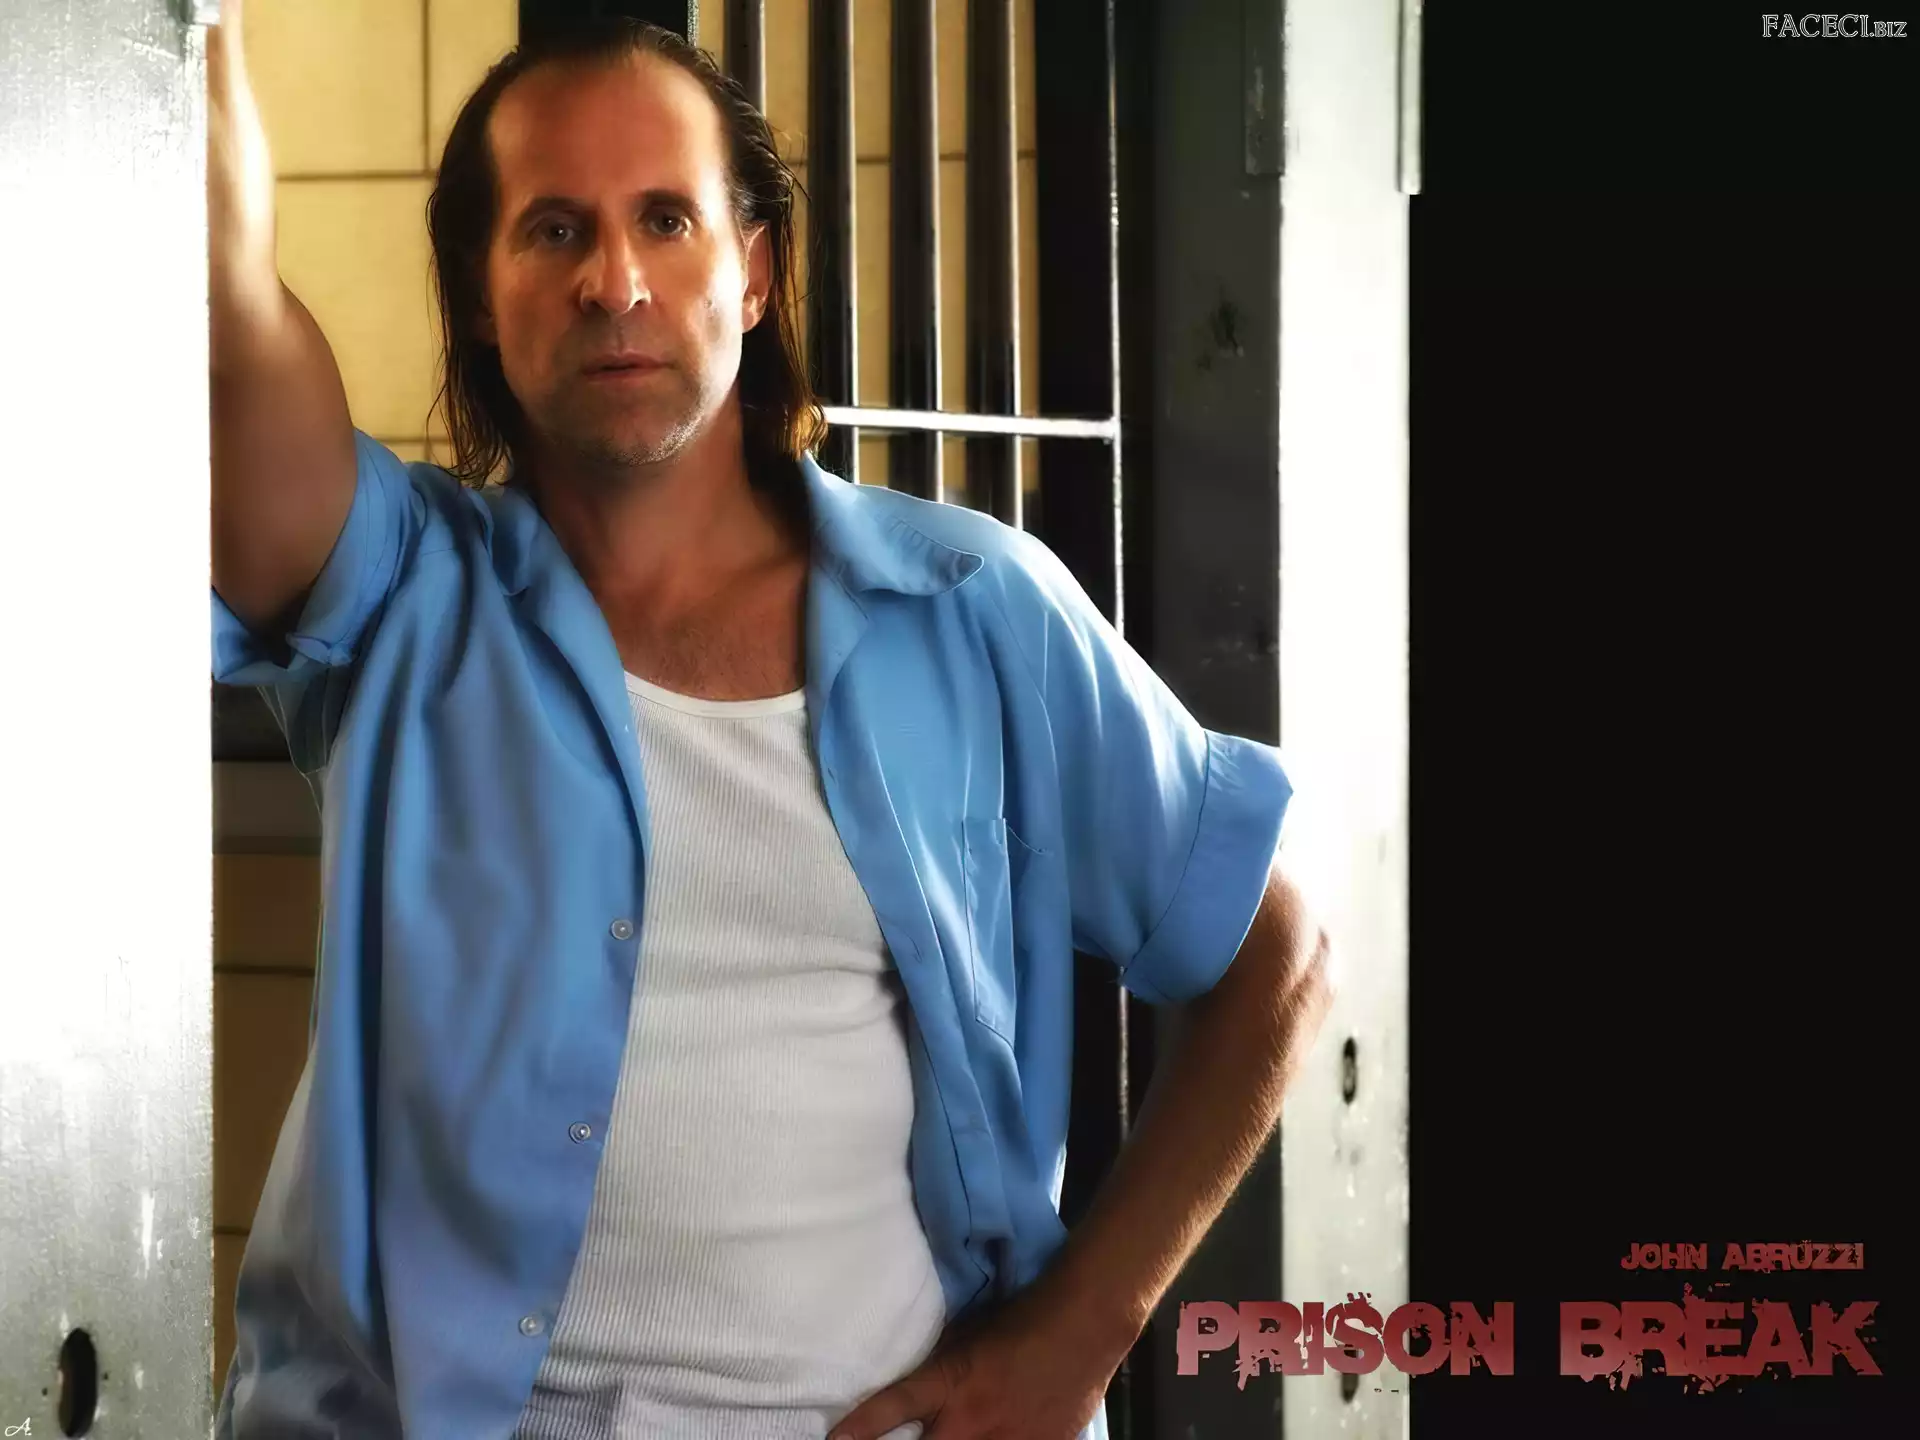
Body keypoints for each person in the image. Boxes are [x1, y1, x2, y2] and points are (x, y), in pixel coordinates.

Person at [208, 6, 1333, 1438]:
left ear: (754, 273)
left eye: (666, 218)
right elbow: (221, 314)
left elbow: (1280, 954)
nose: (614, 280)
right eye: (553, 230)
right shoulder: (398, 591)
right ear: (479, 296)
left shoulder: (971, 610)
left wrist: (1081, 1338)